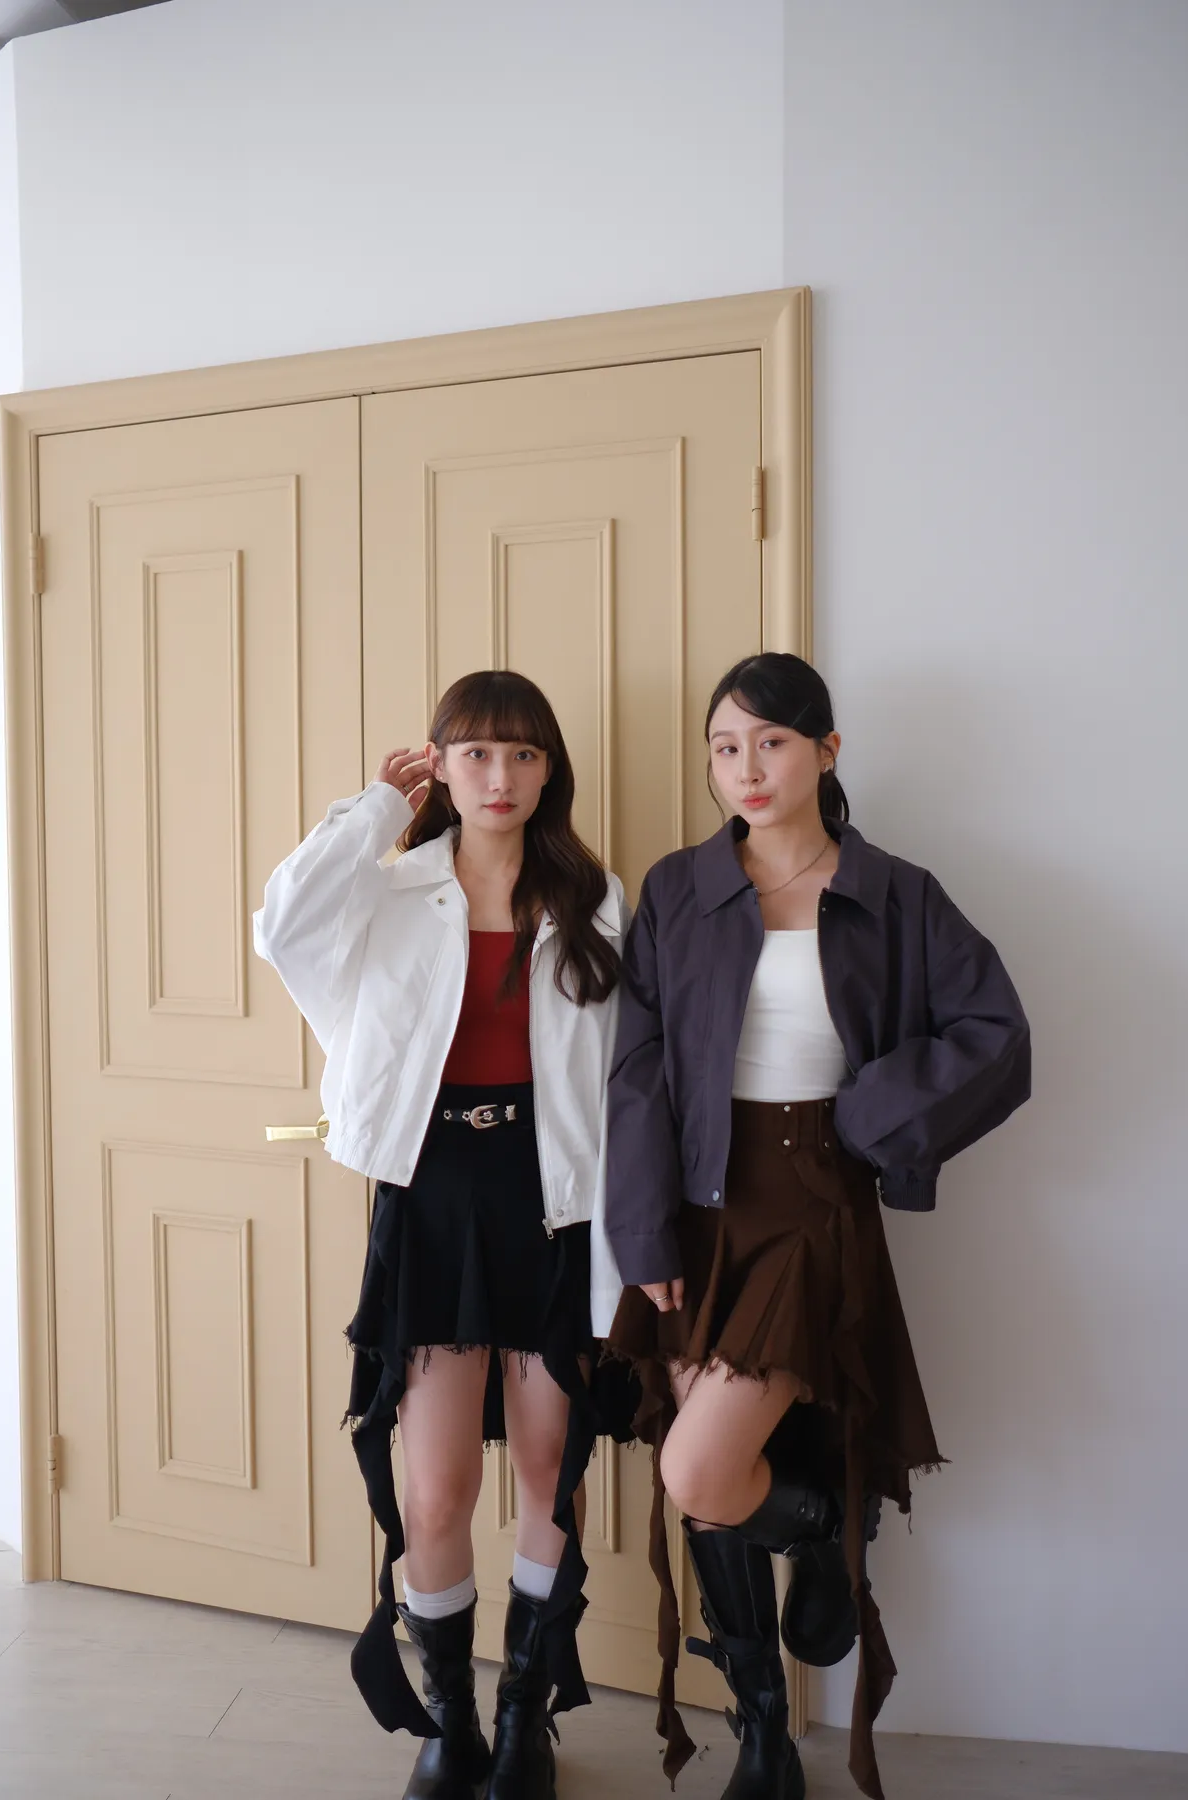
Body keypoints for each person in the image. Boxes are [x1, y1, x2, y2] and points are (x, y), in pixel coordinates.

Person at [605, 652, 1030, 1800]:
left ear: (826, 752)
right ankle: (763, 1730)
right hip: (697, 1207)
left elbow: (997, 1034)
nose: (745, 768)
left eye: (772, 742)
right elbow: (636, 1073)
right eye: (724, 747)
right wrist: (641, 1234)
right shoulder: (680, 890)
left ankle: (828, 1527)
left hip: (813, 1210)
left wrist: (873, 1116)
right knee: (700, 1472)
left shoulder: (896, 894)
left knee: (701, 1470)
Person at [254, 669, 630, 1800]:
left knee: (551, 1467)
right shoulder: (390, 889)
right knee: (434, 1492)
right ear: (442, 766)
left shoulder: (594, 899)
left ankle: (524, 1720)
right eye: (475, 754)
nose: (499, 777)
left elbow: (628, 1069)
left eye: (522, 754)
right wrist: (378, 806)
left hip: (556, 1197)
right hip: (432, 1196)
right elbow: (280, 926)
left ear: (550, 770)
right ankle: (451, 1721)